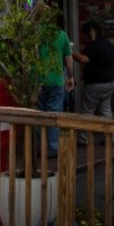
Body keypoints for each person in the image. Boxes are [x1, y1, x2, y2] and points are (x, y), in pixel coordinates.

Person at [72, 19, 114, 143]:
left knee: (87, 112)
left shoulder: (94, 45)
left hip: (95, 84)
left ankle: (84, 138)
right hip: (110, 83)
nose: (83, 38)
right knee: (105, 111)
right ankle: (109, 137)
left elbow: (84, 59)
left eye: (84, 35)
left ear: (90, 33)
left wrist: (69, 52)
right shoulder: (108, 44)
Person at [36, 18, 74, 157]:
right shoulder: (62, 35)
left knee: (38, 116)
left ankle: (39, 147)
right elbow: (68, 59)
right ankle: (52, 148)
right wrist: (70, 77)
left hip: (38, 81)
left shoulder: (34, 35)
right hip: (57, 80)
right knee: (54, 115)